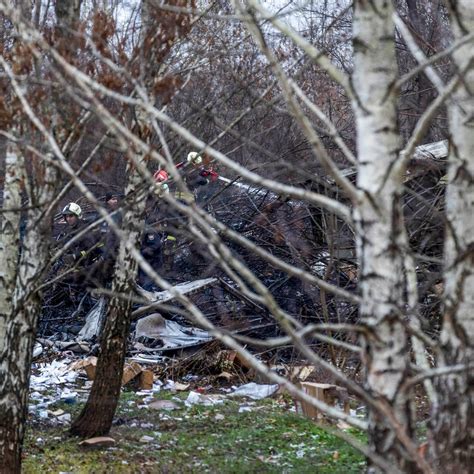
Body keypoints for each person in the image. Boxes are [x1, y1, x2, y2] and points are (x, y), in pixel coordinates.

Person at [55, 202, 104, 288]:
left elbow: (90, 249)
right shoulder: (69, 230)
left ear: (77, 216)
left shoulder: (86, 229)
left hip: (92, 264)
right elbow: (65, 244)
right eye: (66, 216)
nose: (68, 219)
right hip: (76, 265)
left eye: (71, 216)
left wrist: (74, 256)